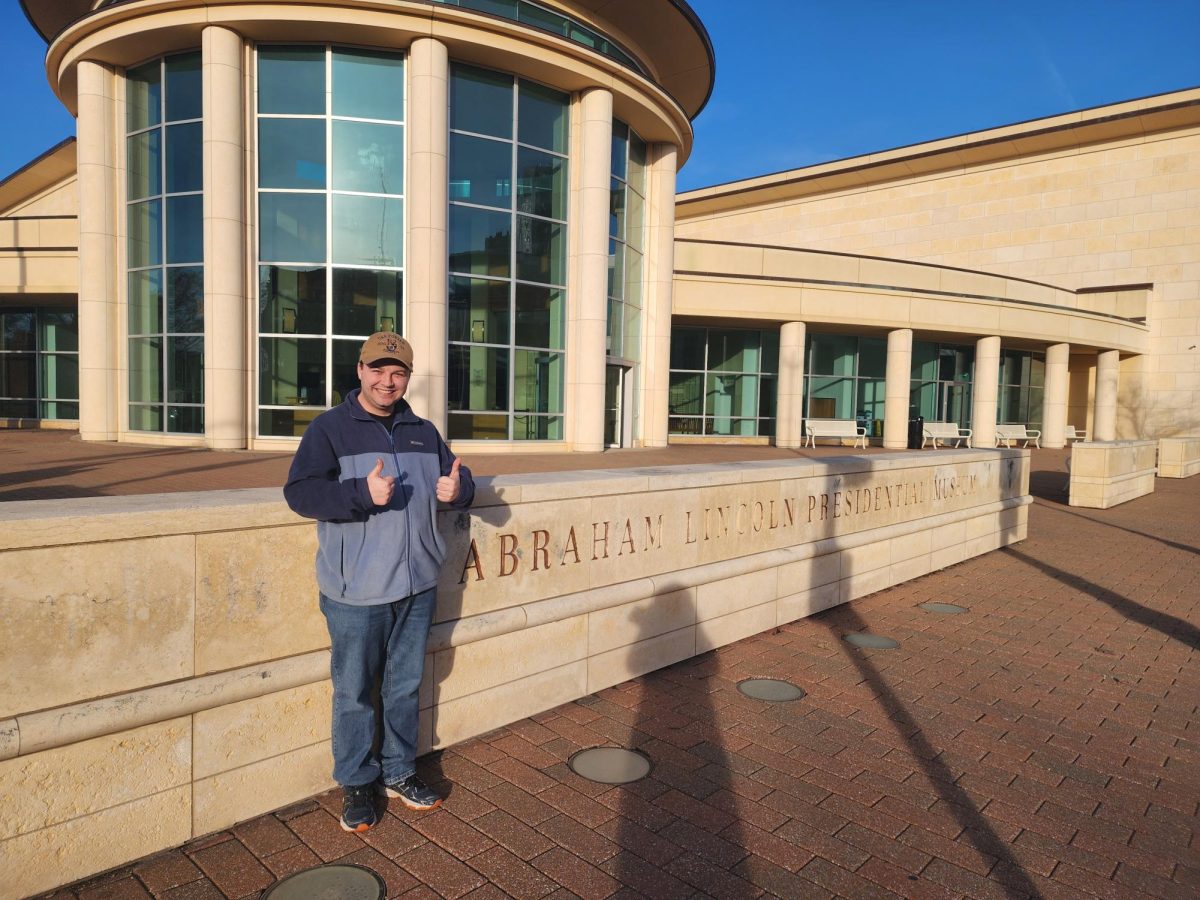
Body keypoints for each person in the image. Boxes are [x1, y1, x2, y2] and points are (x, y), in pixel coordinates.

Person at [284, 331, 475, 833]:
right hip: (357, 592)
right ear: (360, 370)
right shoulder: (329, 429)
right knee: (353, 692)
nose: (387, 381)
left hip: (416, 587)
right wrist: (361, 493)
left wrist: (460, 489)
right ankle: (356, 783)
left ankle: (399, 771)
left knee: (405, 686)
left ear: (407, 377)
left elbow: (459, 474)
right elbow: (300, 493)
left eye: (398, 373)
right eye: (378, 370)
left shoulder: (421, 429)